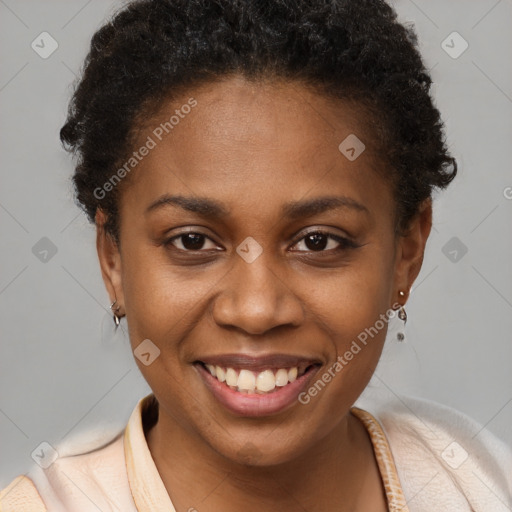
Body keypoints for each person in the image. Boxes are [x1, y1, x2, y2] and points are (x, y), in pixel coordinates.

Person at [1, 0, 510, 510]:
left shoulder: (479, 483)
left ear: (407, 250)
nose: (256, 310)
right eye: (192, 241)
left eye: (318, 241)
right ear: (113, 260)